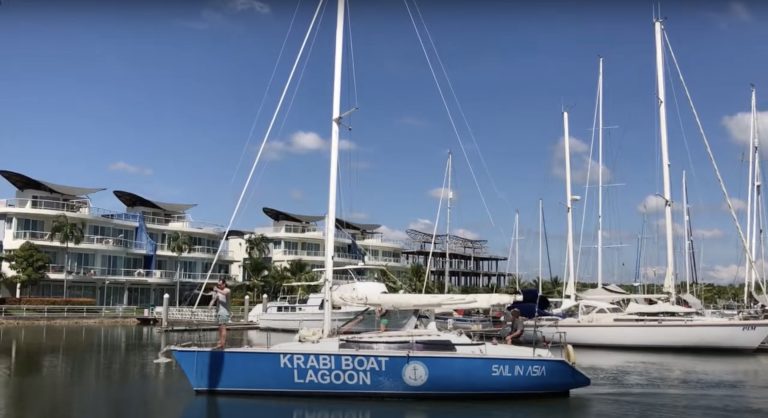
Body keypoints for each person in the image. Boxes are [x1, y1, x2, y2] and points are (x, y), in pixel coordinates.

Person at [209, 278, 231, 349]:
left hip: (224, 311)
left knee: (223, 327)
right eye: (218, 285)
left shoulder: (227, 290)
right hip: (218, 311)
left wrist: (217, 289)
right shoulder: (218, 292)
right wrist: (210, 305)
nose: (218, 286)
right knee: (220, 328)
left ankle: (222, 343)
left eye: (220, 285)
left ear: (224, 284)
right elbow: (214, 299)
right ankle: (220, 342)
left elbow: (224, 293)